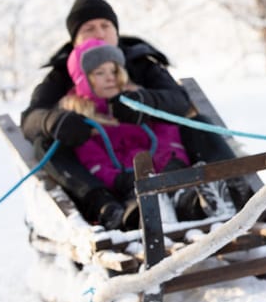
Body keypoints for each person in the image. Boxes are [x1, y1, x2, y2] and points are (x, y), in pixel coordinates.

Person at [20, 0, 251, 228]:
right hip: (100, 165)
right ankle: (105, 207)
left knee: (198, 124)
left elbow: (179, 100)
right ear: (75, 38)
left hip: (158, 153)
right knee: (46, 144)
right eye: (89, 28)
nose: (99, 33)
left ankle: (230, 186)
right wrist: (54, 121)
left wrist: (144, 101)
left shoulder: (140, 62)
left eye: (105, 25)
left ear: (116, 30)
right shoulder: (61, 75)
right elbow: (30, 119)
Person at [62, 38, 196, 229]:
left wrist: (172, 162)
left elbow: (167, 134)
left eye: (114, 71)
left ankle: (193, 203)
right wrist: (118, 179)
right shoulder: (82, 120)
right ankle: (144, 219)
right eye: (100, 73)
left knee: (180, 191)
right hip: (127, 185)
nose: (110, 78)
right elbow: (93, 162)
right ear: (83, 80)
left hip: (164, 174)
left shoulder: (136, 103)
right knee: (137, 204)